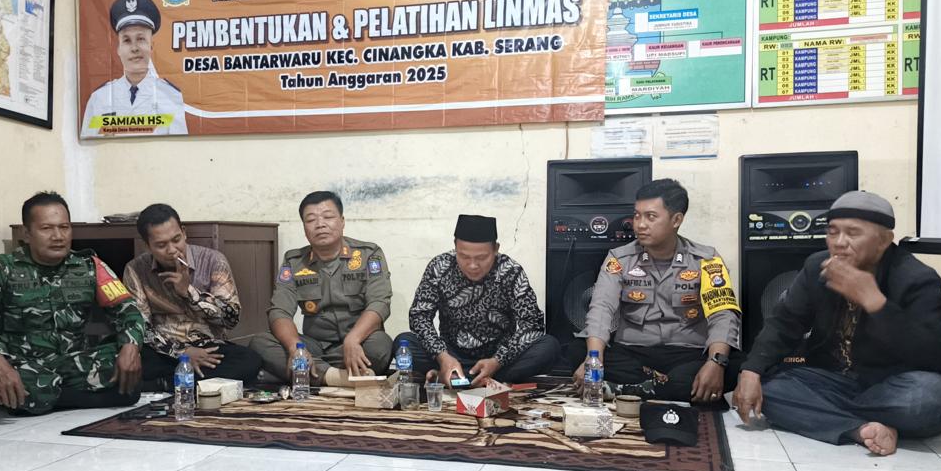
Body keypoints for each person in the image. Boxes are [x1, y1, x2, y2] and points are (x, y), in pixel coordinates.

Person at [734, 191, 941, 456]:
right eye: (832, 232)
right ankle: (860, 429)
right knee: (766, 388)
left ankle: (825, 414)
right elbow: (785, 323)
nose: (839, 243)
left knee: (930, 399)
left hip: (891, 385)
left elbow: (938, 359)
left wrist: (875, 302)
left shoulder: (918, 279)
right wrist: (751, 371)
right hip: (833, 379)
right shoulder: (817, 267)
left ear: (884, 240)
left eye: (853, 233)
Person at [0, 192, 145, 415]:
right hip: (20, 366)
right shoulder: (0, 268)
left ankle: (45, 399)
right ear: (27, 234)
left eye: (64, 227)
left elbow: (128, 310)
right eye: (46, 228)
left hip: (72, 364)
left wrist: (130, 347)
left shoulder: (89, 266)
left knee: (127, 363)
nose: (58, 236)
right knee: (3, 379)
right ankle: (75, 397)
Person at [576, 178, 742, 403]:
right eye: (637, 216)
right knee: (576, 350)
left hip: (688, 353)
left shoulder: (707, 259)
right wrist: (593, 359)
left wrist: (715, 363)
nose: (640, 225)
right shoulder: (619, 259)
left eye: (650, 217)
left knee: (735, 364)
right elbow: (601, 307)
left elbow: (722, 314)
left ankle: (628, 390)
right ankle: (667, 388)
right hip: (633, 352)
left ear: (676, 220)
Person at [247, 191, 393, 382]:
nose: (320, 224)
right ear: (304, 227)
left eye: (328, 217)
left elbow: (379, 302)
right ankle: (340, 378)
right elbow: (279, 311)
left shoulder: (368, 254)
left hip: (358, 342)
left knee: (380, 345)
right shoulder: (294, 261)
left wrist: (353, 339)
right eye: (311, 220)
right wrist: (295, 348)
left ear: (342, 221)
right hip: (314, 346)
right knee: (260, 342)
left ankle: (306, 375)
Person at [397, 214, 559, 385]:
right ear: (455, 247)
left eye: (481, 258)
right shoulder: (440, 267)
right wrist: (442, 357)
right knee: (403, 343)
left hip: (499, 357)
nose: (473, 265)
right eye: (464, 257)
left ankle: (457, 378)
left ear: (496, 249)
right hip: (451, 354)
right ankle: (457, 373)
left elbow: (532, 323)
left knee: (549, 346)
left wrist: (497, 361)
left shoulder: (510, 271)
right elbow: (419, 316)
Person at [122, 203, 262, 384]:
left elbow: (231, 319)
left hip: (208, 348)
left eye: (176, 239)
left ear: (184, 232)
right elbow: (140, 326)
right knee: (123, 357)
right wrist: (182, 353)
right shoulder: (136, 269)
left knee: (250, 361)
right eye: (161, 245)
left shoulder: (213, 260)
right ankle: (188, 383)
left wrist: (189, 292)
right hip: (164, 351)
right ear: (147, 246)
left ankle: (165, 384)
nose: (172, 250)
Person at [81, 0, 186, 136]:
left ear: (151, 46)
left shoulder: (170, 96)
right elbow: (88, 147)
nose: (134, 48)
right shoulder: (100, 98)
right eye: (127, 40)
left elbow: (179, 147)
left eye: (141, 39)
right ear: (118, 49)